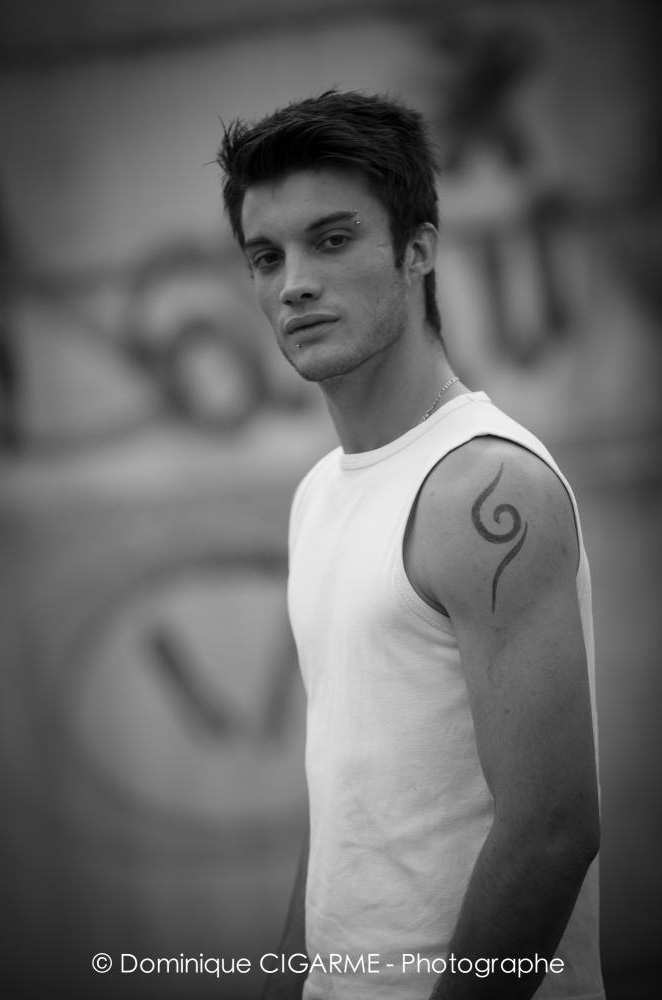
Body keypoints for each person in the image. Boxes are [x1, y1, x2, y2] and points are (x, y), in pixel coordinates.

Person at [217, 90, 604, 1000]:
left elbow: (552, 833)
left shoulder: (485, 489)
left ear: (419, 249)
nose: (294, 283)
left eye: (332, 240)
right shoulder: (320, 494)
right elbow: (342, 811)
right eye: (267, 257)